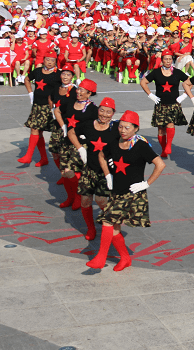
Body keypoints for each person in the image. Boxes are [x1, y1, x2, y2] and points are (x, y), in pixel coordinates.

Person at [87, 110, 165, 272]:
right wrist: (108, 175)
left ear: (136, 128)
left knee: (107, 221)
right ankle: (125, 258)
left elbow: (160, 164)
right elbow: (101, 156)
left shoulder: (141, 145)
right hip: (117, 191)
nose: (122, 130)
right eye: (121, 127)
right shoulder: (114, 141)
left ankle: (101, 257)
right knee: (115, 229)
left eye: (127, 127)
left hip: (132, 193)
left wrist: (146, 183)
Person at [68, 97, 119, 240]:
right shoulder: (88, 124)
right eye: (101, 110)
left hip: (107, 171)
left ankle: (112, 220)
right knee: (85, 201)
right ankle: (91, 228)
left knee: (102, 201)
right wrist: (80, 148)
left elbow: (131, 135)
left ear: (113, 113)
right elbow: (71, 132)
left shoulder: (116, 128)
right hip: (89, 169)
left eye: (108, 112)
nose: (104, 114)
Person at [52, 78, 99, 209]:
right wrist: (63, 126)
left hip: (80, 145)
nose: (78, 92)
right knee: (64, 173)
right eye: (78, 89)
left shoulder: (93, 109)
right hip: (66, 141)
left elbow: (98, 125)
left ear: (89, 93)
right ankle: (70, 197)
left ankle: (79, 196)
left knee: (71, 172)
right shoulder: (70, 102)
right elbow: (57, 111)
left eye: (82, 90)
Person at [141, 51, 191, 158]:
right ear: (162, 60)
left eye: (170, 59)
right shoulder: (156, 72)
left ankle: (168, 145)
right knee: (161, 129)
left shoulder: (177, 72)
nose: (168, 61)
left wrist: (184, 95)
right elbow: (143, 82)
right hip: (160, 104)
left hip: (173, 104)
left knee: (170, 124)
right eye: (165, 59)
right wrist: (151, 95)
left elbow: (189, 82)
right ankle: (163, 149)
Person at [18, 51, 60, 166]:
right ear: (43, 60)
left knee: (40, 131)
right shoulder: (37, 71)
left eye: (52, 60)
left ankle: (30, 156)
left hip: (50, 107)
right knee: (36, 130)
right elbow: (26, 79)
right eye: (47, 59)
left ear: (56, 61)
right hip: (37, 105)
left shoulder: (58, 74)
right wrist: (30, 93)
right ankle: (41, 158)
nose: (50, 62)